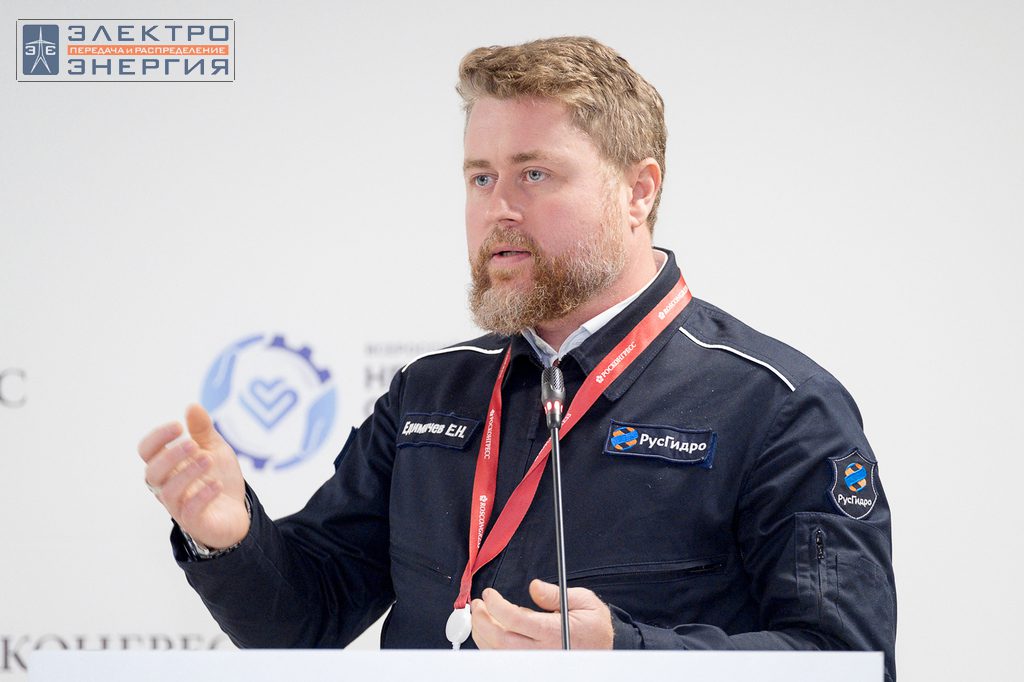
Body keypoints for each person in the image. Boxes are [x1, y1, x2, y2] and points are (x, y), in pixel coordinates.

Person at [139, 36, 896, 679]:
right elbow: (304, 621)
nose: (498, 208)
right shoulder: (430, 393)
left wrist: (627, 656)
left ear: (638, 192)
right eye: (481, 177)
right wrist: (230, 536)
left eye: (534, 174)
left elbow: (848, 662)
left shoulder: (779, 406)